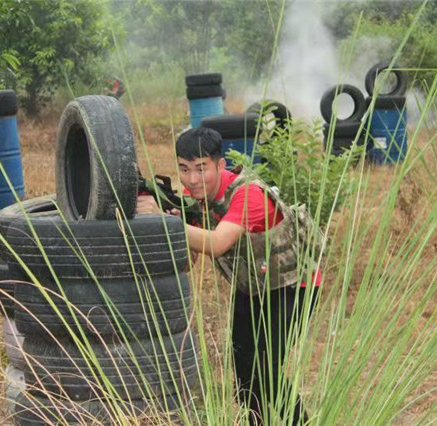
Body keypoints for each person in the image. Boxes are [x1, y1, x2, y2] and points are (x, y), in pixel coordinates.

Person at [136, 127, 321, 425]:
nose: (193, 180)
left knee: (267, 369)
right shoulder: (192, 197)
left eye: (201, 169)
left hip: (291, 284)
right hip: (251, 286)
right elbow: (189, 263)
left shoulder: (248, 194)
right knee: (243, 367)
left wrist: (161, 222)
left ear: (220, 165)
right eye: (184, 169)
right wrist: (167, 224)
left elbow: (217, 243)